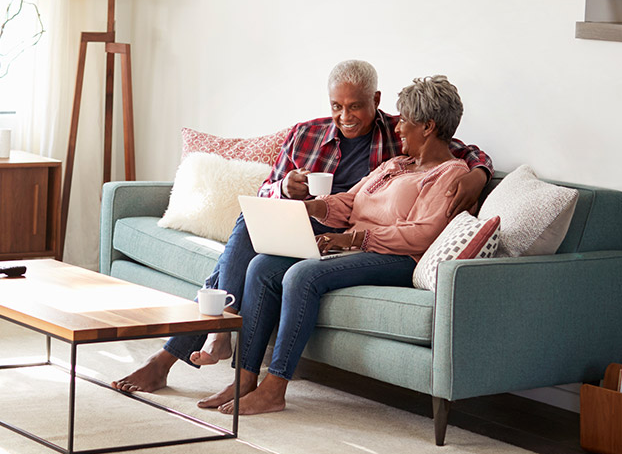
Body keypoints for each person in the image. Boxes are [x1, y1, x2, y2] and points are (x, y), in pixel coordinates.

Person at [111, 61, 493, 395]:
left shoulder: (399, 136)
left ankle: (198, 346)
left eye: (356, 106)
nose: (345, 116)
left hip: (352, 236)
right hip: (316, 218)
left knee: (280, 268)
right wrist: (289, 192)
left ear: (376, 101)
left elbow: (453, 149)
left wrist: (479, 173)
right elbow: (284, 193)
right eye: (337, 106)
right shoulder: (320, 138)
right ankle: (223, 344)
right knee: (251, 228)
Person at [199, 75, 471, 414]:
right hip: (356, 247)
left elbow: (423, 232)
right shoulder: (395, 165)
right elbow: (351, 202)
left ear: (429, 126)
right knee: (263, 265)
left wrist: (354, 238)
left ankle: (275, 387)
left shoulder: (451, 174)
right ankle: (244, 377)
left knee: (302, 275)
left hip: (397, 257)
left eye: (406, 121)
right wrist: (312, 207)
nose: (398, 127)